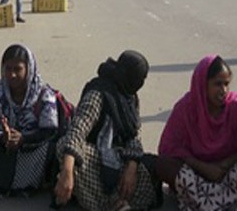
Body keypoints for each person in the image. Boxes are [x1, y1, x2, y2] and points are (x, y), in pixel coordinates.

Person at [156, 55, 237, 211]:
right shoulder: (185, 109)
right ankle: (221, 199)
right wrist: (205, 168)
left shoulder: (236, 108)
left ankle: (202, 200)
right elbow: (170, 147)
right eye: (217, 84)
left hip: (227, 173)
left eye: (226, 84)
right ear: (202, 84)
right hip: (194, 173)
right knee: (162, 164)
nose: (223, 90)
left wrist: (224, 164)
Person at [54, 51, 159, 211]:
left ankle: (116, 202)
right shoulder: (99, 93)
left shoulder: (130, 98)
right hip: (94, 158)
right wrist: (67, 172)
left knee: (149, 172)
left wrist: (131, 168)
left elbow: (134, 135)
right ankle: (110, 204)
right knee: (65, 149)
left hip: (120, 156)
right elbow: (77, 130)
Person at [0, 44, 67, 197]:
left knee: (49, 149)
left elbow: (50, 131)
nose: (12, 75)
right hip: (4, 147)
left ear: (29, 69)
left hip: (33, 149)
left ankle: (31, 183)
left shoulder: (44, 94)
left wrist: (23, 139)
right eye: (8, 69)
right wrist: (3, 137)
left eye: (18, 69)